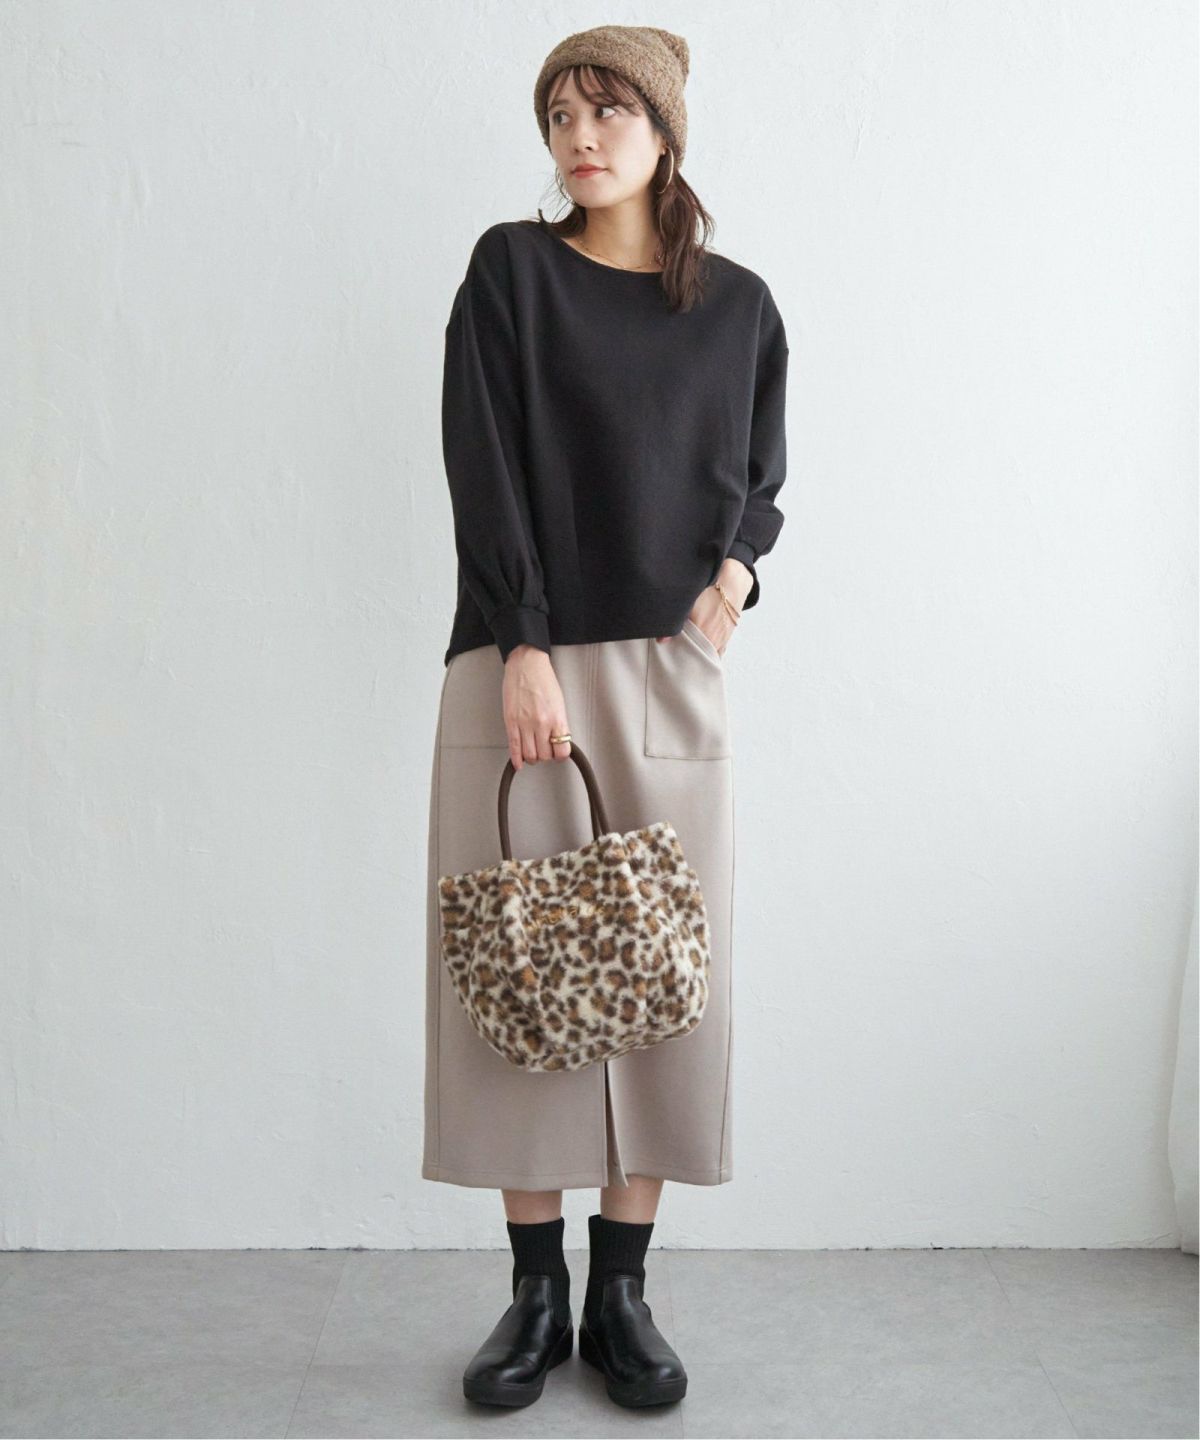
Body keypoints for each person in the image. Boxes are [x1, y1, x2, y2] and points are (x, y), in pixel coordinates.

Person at [422, 23, 789, 1411]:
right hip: (520, 660)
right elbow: (482, 460)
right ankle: (534, 1293)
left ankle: (621, 1291)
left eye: (609, 113)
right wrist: (522, 638)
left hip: (672, 667)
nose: (581, 139)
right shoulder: (511, 274)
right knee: (518, 964)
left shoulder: (740, 307)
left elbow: (764, 474)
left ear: (664, 131)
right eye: (562, 116)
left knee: (663, 974)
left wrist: (736, 578)